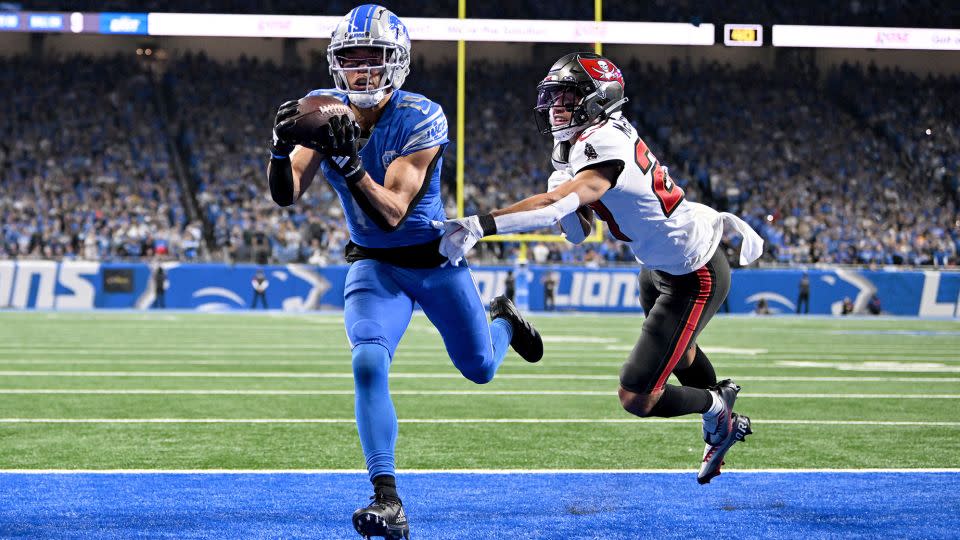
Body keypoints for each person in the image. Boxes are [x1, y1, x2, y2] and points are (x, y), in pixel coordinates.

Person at [265, 6, 543, 538]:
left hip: (433, 261)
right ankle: (387, 497)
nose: (363, 72)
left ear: (397, 64)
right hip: (374, 264)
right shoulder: (324, 111)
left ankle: (503, 320)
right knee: (368, 364)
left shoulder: (421, 115)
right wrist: (280, 151)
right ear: (335, 64)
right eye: (352, 60)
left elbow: (393, 212)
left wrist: (349, 165)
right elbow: (287, 194)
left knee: (480, 368)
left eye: (375, 59)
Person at [434, 52, 764, 484]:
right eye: (553, 97)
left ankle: (717, 409)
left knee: (637, 396)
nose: (555, 107)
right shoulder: (580, 140)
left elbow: (558, 207)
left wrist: (480, 225)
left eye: (567, 97)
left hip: (692, 272)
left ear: (598, 99)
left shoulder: (603, 141)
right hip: (658, 266)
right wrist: (567, 199)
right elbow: (579, 229)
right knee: (679, 353)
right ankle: (719, 413)